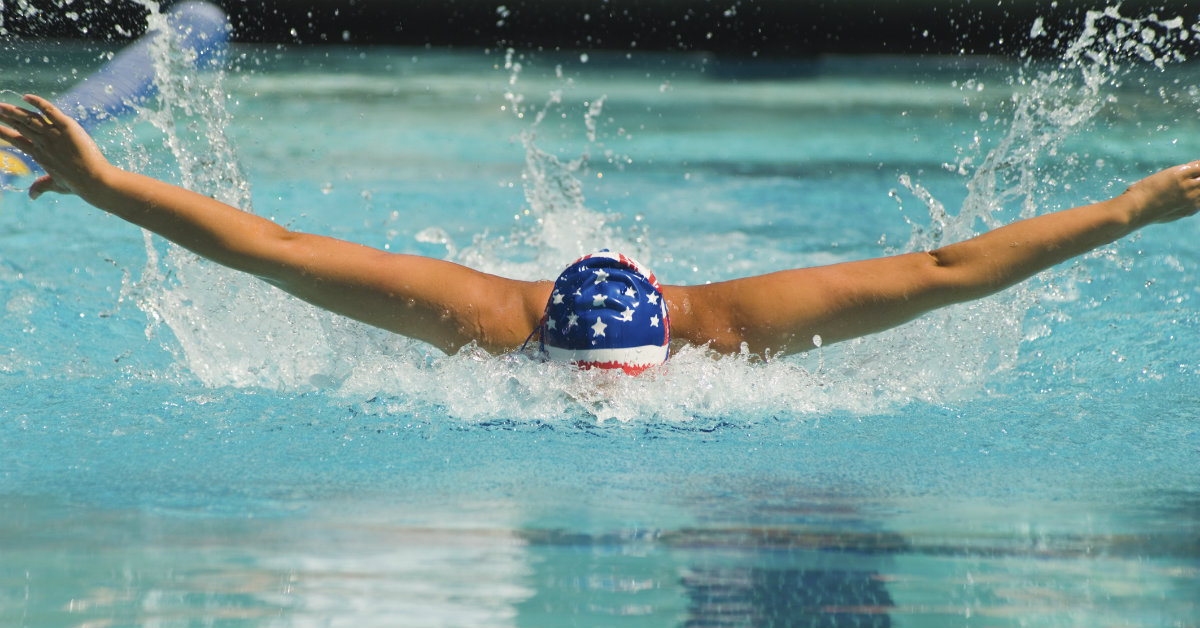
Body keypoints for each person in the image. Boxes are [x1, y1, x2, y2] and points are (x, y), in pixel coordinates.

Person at [3, 94, 1199, 375]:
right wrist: (105, 185)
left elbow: (947, 272)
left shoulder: (728, 330)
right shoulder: (486, 323)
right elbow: (275, 250)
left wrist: (1137, 207)